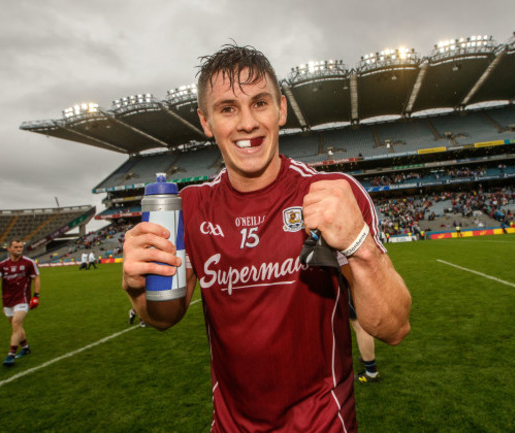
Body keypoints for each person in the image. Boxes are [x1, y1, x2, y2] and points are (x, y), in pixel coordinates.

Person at [121, 44, 411, 432]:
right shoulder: (189, 207)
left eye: (259, 103)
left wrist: (360, 246)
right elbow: (164, 317)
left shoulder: (331, 194)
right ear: (206, 122)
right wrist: (139, 290)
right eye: (227, 109)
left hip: (323, 424)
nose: (246, 123)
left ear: (281, 109)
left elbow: (393, 327)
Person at [0, 239, 40, 367]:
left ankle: (11, 355)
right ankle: (25, 347)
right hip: (7, 300)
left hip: (22, 299)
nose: (19, 249)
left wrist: (36, 296)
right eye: (15, 247)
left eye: (20, 247)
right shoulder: (1, 265)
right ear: (9, 249)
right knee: (17, 327)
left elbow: (36, 278)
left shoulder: (29, 263)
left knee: (16, 324)